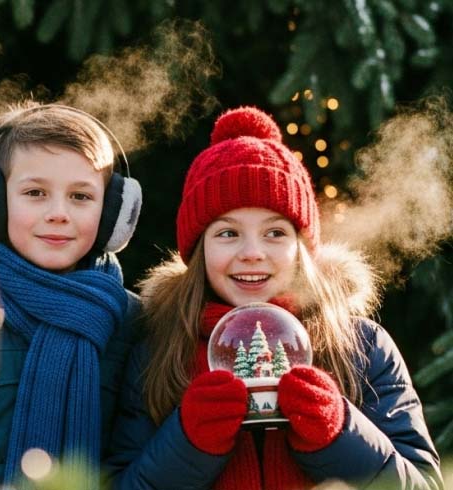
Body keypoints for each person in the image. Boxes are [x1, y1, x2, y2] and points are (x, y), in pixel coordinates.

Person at [105, 106, 443, 489]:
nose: (253, 253)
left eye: (275, 233)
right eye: (228, 233)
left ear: (302, 247)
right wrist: (187, 443)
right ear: (199, 250)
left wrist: (340, 433)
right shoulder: (158, 351)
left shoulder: (362, 347)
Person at [0, 103, 143, 490]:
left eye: (81, 196)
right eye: (35, 192)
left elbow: (135, 462)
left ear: (114, 213)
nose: (58, 213)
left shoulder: (133, 322)